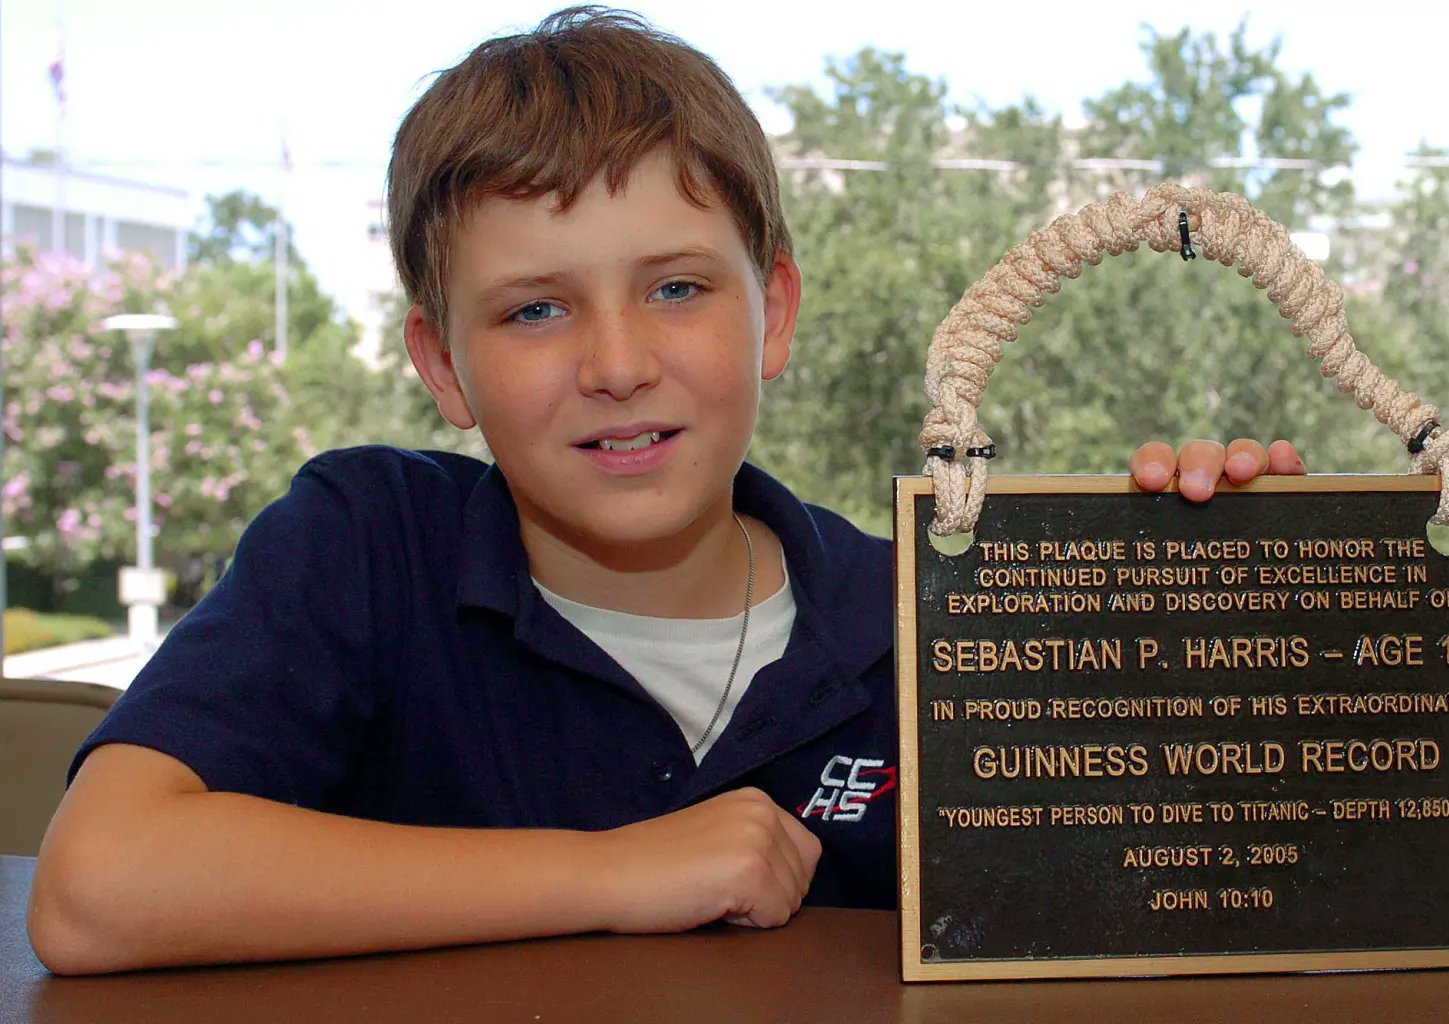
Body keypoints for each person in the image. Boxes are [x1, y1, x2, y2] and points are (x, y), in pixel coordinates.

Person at [27, 7, 1303, 975]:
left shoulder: (933, 621)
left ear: (775, 313)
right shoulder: (366, 545)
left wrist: (1238, 622)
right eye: (535, 310)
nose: (618, 364)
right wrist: (616, 872)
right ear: (442, 364)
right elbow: (97, 886)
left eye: (678, 287)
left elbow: (1212, 910)